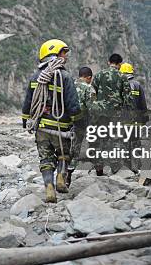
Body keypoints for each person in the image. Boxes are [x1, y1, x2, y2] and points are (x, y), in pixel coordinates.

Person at [22, 39, 81, 203]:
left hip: (41, 128)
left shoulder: (36, 77)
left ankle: (49, 187)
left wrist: (25, 121)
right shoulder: (65, 77)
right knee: (64, 154)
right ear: (54, 54)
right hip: (61, 128)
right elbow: (73, 106)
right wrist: (78, 123)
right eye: (64, 53)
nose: (66, 57)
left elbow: (27, 103)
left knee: (45, 159)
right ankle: (61, 178)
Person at [91, 54, 132, 175]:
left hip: (100, 113)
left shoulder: (98, 75)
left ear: (108, 62)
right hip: (116, 114)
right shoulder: (122, 77)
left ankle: (99, 168)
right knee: (115, 139)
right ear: (120, 64)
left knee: (99, 139)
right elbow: (127, 98)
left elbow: (92, 94)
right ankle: (115, 167)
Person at [67, 66, 96, 186]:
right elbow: (92, 109)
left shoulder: (69, 85)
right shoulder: (88, 88)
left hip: (67, 122)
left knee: (70, 149)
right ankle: (98, 170)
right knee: (89, 145)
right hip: (83, 122)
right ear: (88, 77)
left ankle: (65, 175)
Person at [120, 62, 148, 173]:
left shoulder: (119, 85)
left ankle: (125, 166)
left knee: (124, 142)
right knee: (135, 142)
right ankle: (136, 165)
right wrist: (144, 119)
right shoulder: (137, 85)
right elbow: (143, 104)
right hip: (136, 121)